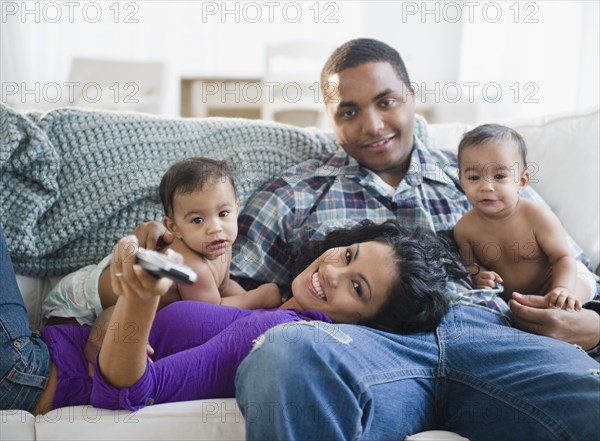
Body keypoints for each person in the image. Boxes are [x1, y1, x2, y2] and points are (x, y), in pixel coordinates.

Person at [134, 39, 600, 439]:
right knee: (286, 354)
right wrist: (123, 324)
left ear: (412, 96)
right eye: (350, 110)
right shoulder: (294, 193)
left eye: (386, 101)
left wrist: (594, 329)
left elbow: (576, 271)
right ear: (330, 117)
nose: (373, 125)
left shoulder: (485, 175)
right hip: (359, 347)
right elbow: (215, 285)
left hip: (492, 334)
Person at [1, 220, 465, 413]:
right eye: (347, 254)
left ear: (366, 326)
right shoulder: (264, 305)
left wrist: (138, 300)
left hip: (31, 375)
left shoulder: (280, 334)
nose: (332, 270)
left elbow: (128, 394)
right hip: (34, 357)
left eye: (358, 287)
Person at [99, 156, 280, 310]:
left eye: (223, 213)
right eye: (197, 220)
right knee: (107, 326)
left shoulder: (221, 245)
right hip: (89, 299)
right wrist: (260, 298)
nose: (215, 228)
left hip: (123, 301)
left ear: (236, 208)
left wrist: (256, 303)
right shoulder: (190, 264)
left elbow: (223, 287)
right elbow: (212, 309)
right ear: (173, 227)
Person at [454, 124, 595, 311]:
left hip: (568, 277)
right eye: (474, 178)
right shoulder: (464, 229)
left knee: (565, 303)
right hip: (521, 298)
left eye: (499, 176)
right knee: (528, 317)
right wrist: (480, 275)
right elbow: (470, 264)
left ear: (521, 181)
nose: (486, 186)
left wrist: (562, 289)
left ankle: (574, 311)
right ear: (461, 181)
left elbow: (563, 257)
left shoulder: (538, 217)